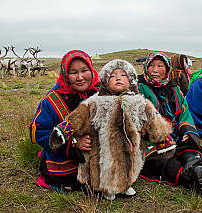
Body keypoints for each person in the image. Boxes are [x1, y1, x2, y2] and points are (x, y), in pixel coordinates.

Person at [50, 59, 172, 200]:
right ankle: (107, 188)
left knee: (131, 162)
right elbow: (78, 117)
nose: (118, 78)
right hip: (103, 147)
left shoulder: (140, 102)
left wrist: (163, 139)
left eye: (123, 75)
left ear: (132, 79)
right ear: (105, 80)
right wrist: (62, 132)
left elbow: (154, 120)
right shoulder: (95, 102)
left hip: (130, 147)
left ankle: (126, 185)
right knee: (105, 164)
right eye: (112, 76)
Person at [138, 52, 202, 195]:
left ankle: (193, 165)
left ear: (167, 69)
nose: (154, 70)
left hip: (176, 134)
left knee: (189, 145)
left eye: (160, 66)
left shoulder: (174, 88)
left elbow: (184, 111)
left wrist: (186, 130)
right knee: (163, 160)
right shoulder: (139, 87)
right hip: (152, 138)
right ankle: (191, 176)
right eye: (151, 66)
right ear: (146, 67)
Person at [29, 50, 100, 191]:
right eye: (73, 72)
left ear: (91, 71)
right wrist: (73, 143)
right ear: (65, 75)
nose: (80, 77)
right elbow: (39, 133)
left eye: (84, 70)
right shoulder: (51, 100)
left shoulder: (102, 93)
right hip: (65, 158)